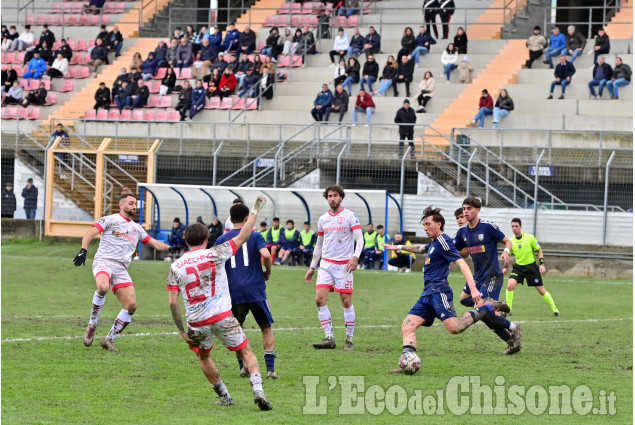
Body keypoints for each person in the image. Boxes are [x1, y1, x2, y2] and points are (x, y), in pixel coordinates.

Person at [166, 197, 274, 410]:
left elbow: (173, 303)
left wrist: (181, 330)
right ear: (207, 238)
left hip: (196, 321)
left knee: (204, 356)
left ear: (186, 241)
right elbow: (244, 234)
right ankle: (259, 391)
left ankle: (225, 396)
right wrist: (255, 210)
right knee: (246, 351)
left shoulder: (176, 267)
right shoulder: (215, 253)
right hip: (222, 315)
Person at [384, 206, 509, 373]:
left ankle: (486, 309)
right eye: (423, 225)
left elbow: (462, 264)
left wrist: (473, 290)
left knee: (454, 328)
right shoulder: (435, 243)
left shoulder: (444, 241)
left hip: (439, 292)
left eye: (428, 224)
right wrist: (398, 248)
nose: (425, 228)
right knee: (408, 326)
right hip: (427, 294)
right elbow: (420, 248)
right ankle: (408, 362)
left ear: (439, 224)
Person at [74, 193, 175, 352]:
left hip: (121, 268)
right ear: (121, 205)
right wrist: (83, 250)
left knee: (131, 306)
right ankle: (92, 324)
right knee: (102, 287)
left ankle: (109, 339)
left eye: (136, 204)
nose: (135, 206)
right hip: (104, 262)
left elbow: (154, 243)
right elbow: (90, 233)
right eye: (131, 203)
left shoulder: (137, 228)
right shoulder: (110, 219)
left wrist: (170, 248)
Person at [214, 203, 278, 379]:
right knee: (265, 327)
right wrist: (268, 272)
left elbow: (215, 264)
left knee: (238, 328)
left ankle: (243, 367)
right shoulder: (255, 236)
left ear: (231, 219)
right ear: (245, 219)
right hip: (255, 289)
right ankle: (271, 370)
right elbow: (266, 255)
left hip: (233, 291)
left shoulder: (221, 240)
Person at [454, 196, 522, 355]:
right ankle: (502, 319)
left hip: (492, 274)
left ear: (477, 210)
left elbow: (508, 242)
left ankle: (510, 326)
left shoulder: (487, 227)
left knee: (481, 310)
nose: (466, 211)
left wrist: (506, 252)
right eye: (464, 208)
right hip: (478, 276)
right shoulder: (462, 232)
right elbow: (461, 252)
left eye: (469, 208)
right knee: (465, 300)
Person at [305, 185, 363, 351]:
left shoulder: (350, 216)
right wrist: (312, 267)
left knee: (346, 302)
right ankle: (329, 337)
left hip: (344, 266)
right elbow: (319, 245)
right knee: (319, 299)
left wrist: (355, 257)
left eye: (335, 195)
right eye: (330, 196)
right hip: (326, 265)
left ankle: (349, 339)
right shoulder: (323, 219)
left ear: (341, 197)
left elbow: (360, 239)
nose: (332, 198)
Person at [504, 218, 560, 317]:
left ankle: (555, 309)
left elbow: (539, 250)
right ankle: (508, 310)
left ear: (521, 227)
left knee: (541, 290)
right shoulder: (511, 241)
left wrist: (542, 264)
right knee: (509, 286)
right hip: (519, 268)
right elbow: (507, 255)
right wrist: (505, 266)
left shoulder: (530, 238)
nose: (514, 228)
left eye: (516, 226)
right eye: (512, 226)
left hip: (531, 268)